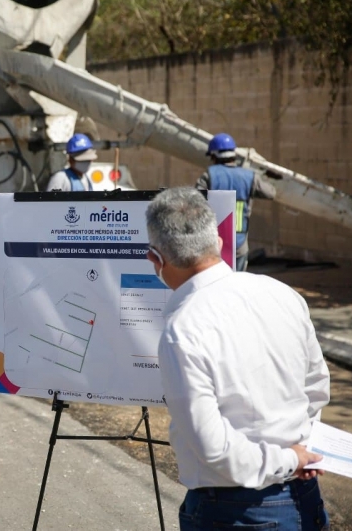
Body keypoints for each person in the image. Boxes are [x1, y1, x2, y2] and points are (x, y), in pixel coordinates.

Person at [145, 187, 330, 530]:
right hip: (305, 497)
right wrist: (297, 453)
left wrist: (288, 460)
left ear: (156, 259)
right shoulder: (281, 293)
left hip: (235, 512)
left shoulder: (182, 330)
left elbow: (212, 448)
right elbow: (316, 387)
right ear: (217, 240)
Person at [196, 132, 277, 271]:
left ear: (214, 156)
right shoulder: (250, 176)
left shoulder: (209, 175)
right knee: (236, 281)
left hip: (213, 241)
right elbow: (271, 193)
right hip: (239, 243)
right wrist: (261, 174)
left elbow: (195, 199)